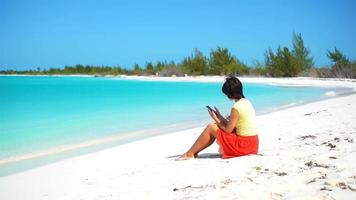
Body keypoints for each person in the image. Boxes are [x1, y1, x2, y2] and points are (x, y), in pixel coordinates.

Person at [178, 76, 259, 160]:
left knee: (211, 127)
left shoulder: (236, 107)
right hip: (253, 144)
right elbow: (231, 125)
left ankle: (190, 153)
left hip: (244, 146)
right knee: (214, 126)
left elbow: (228, 130)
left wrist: (215, 118)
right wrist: (219, 116)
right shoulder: (246, 102)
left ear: (230, 94)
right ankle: (192, 153)